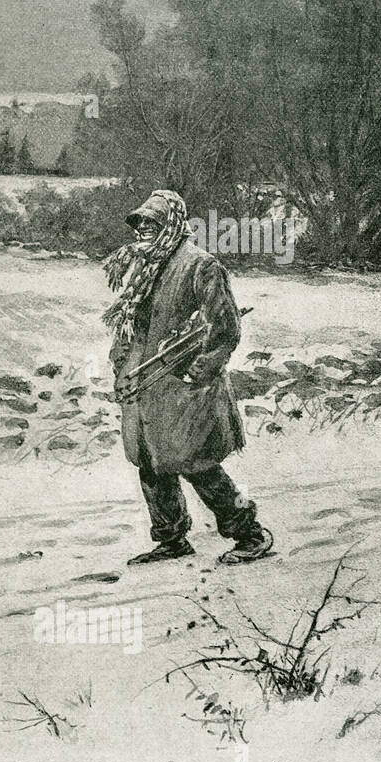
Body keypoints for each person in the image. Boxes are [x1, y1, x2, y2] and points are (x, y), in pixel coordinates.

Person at [107, 189, 274, 566]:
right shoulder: (143, 269)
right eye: (140, 223)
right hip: (145, 385)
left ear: (171, 224)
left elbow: (225, 326)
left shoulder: (200, 265)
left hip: (186, 389)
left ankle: (249, 532)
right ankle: (171, 539)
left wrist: (201, 368)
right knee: (150, 464)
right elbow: (128, 327)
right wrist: (119, 362)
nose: (143, 229)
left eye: (152, 222)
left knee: (195, 463)